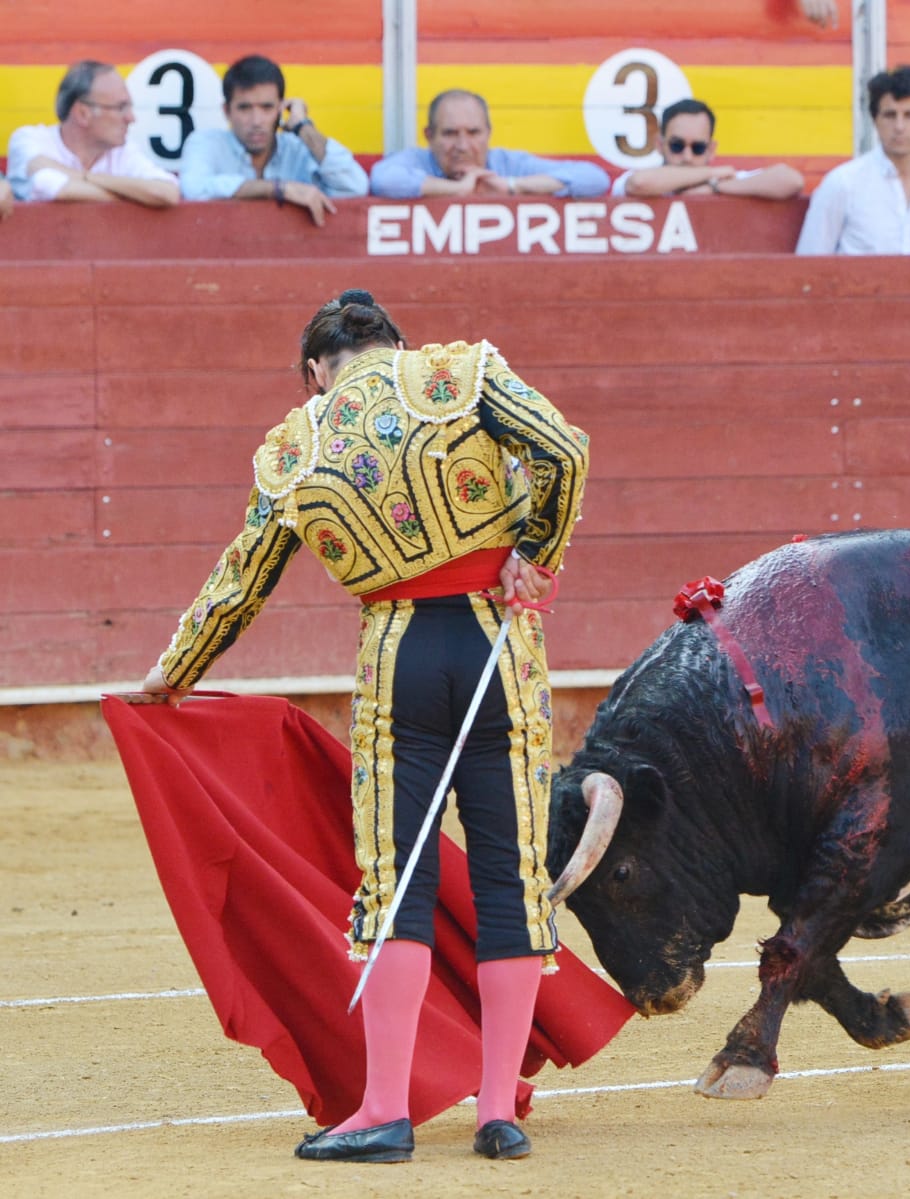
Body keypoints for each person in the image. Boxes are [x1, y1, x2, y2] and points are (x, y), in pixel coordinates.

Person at [139, 290, 590, 1163]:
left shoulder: (296, 443)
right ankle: (498, 1112)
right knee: (510, 875)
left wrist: (173, 672)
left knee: (396, 882)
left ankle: (386, 1108)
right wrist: (538, 555)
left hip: (400, 654)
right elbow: (564, 449)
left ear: (316, 370)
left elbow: (242, 583)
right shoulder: (460, 371)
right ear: (396, 345)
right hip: (500, 644)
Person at [796, 66, 910, 255]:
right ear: (875, 120)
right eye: (890, 115)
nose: (899, 127)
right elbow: (810, 262)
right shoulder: (842, 183)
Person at [179, 55, 368, 227]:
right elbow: (194, 188)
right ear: (227, 111)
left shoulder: (297, 148)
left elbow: (354, 185)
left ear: (280, 109)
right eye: (244, 108)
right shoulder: (206, 143)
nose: (256, 121)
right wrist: (279, 189)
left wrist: (302, 126)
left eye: (267, 108)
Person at [371, 90, 609, 199]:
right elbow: (384, 179)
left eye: (473, 133)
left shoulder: (508, 164)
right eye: (450, 133)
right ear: (429, 136)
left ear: (488, 133)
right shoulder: (417, 160)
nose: (463, 145)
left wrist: (511, 185)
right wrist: (457, 189)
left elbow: (594, 178)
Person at [6, 61, 178, 207]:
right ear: (83, 114)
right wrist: (134, 195)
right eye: (120, 108)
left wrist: (84, 177)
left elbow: (167, 192)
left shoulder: (122, 151)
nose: (131, 118)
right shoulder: (30, 140)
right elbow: (55, 187)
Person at [610, 98, 803, 199]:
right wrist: (713, 173)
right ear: (660, 145)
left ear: (711, 149)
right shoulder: (630, 180)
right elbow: (640, 183)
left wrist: (715, 187)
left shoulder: (723, 181)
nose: (687, 156)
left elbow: (791, 180)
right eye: (677, 146)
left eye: (698, 148)